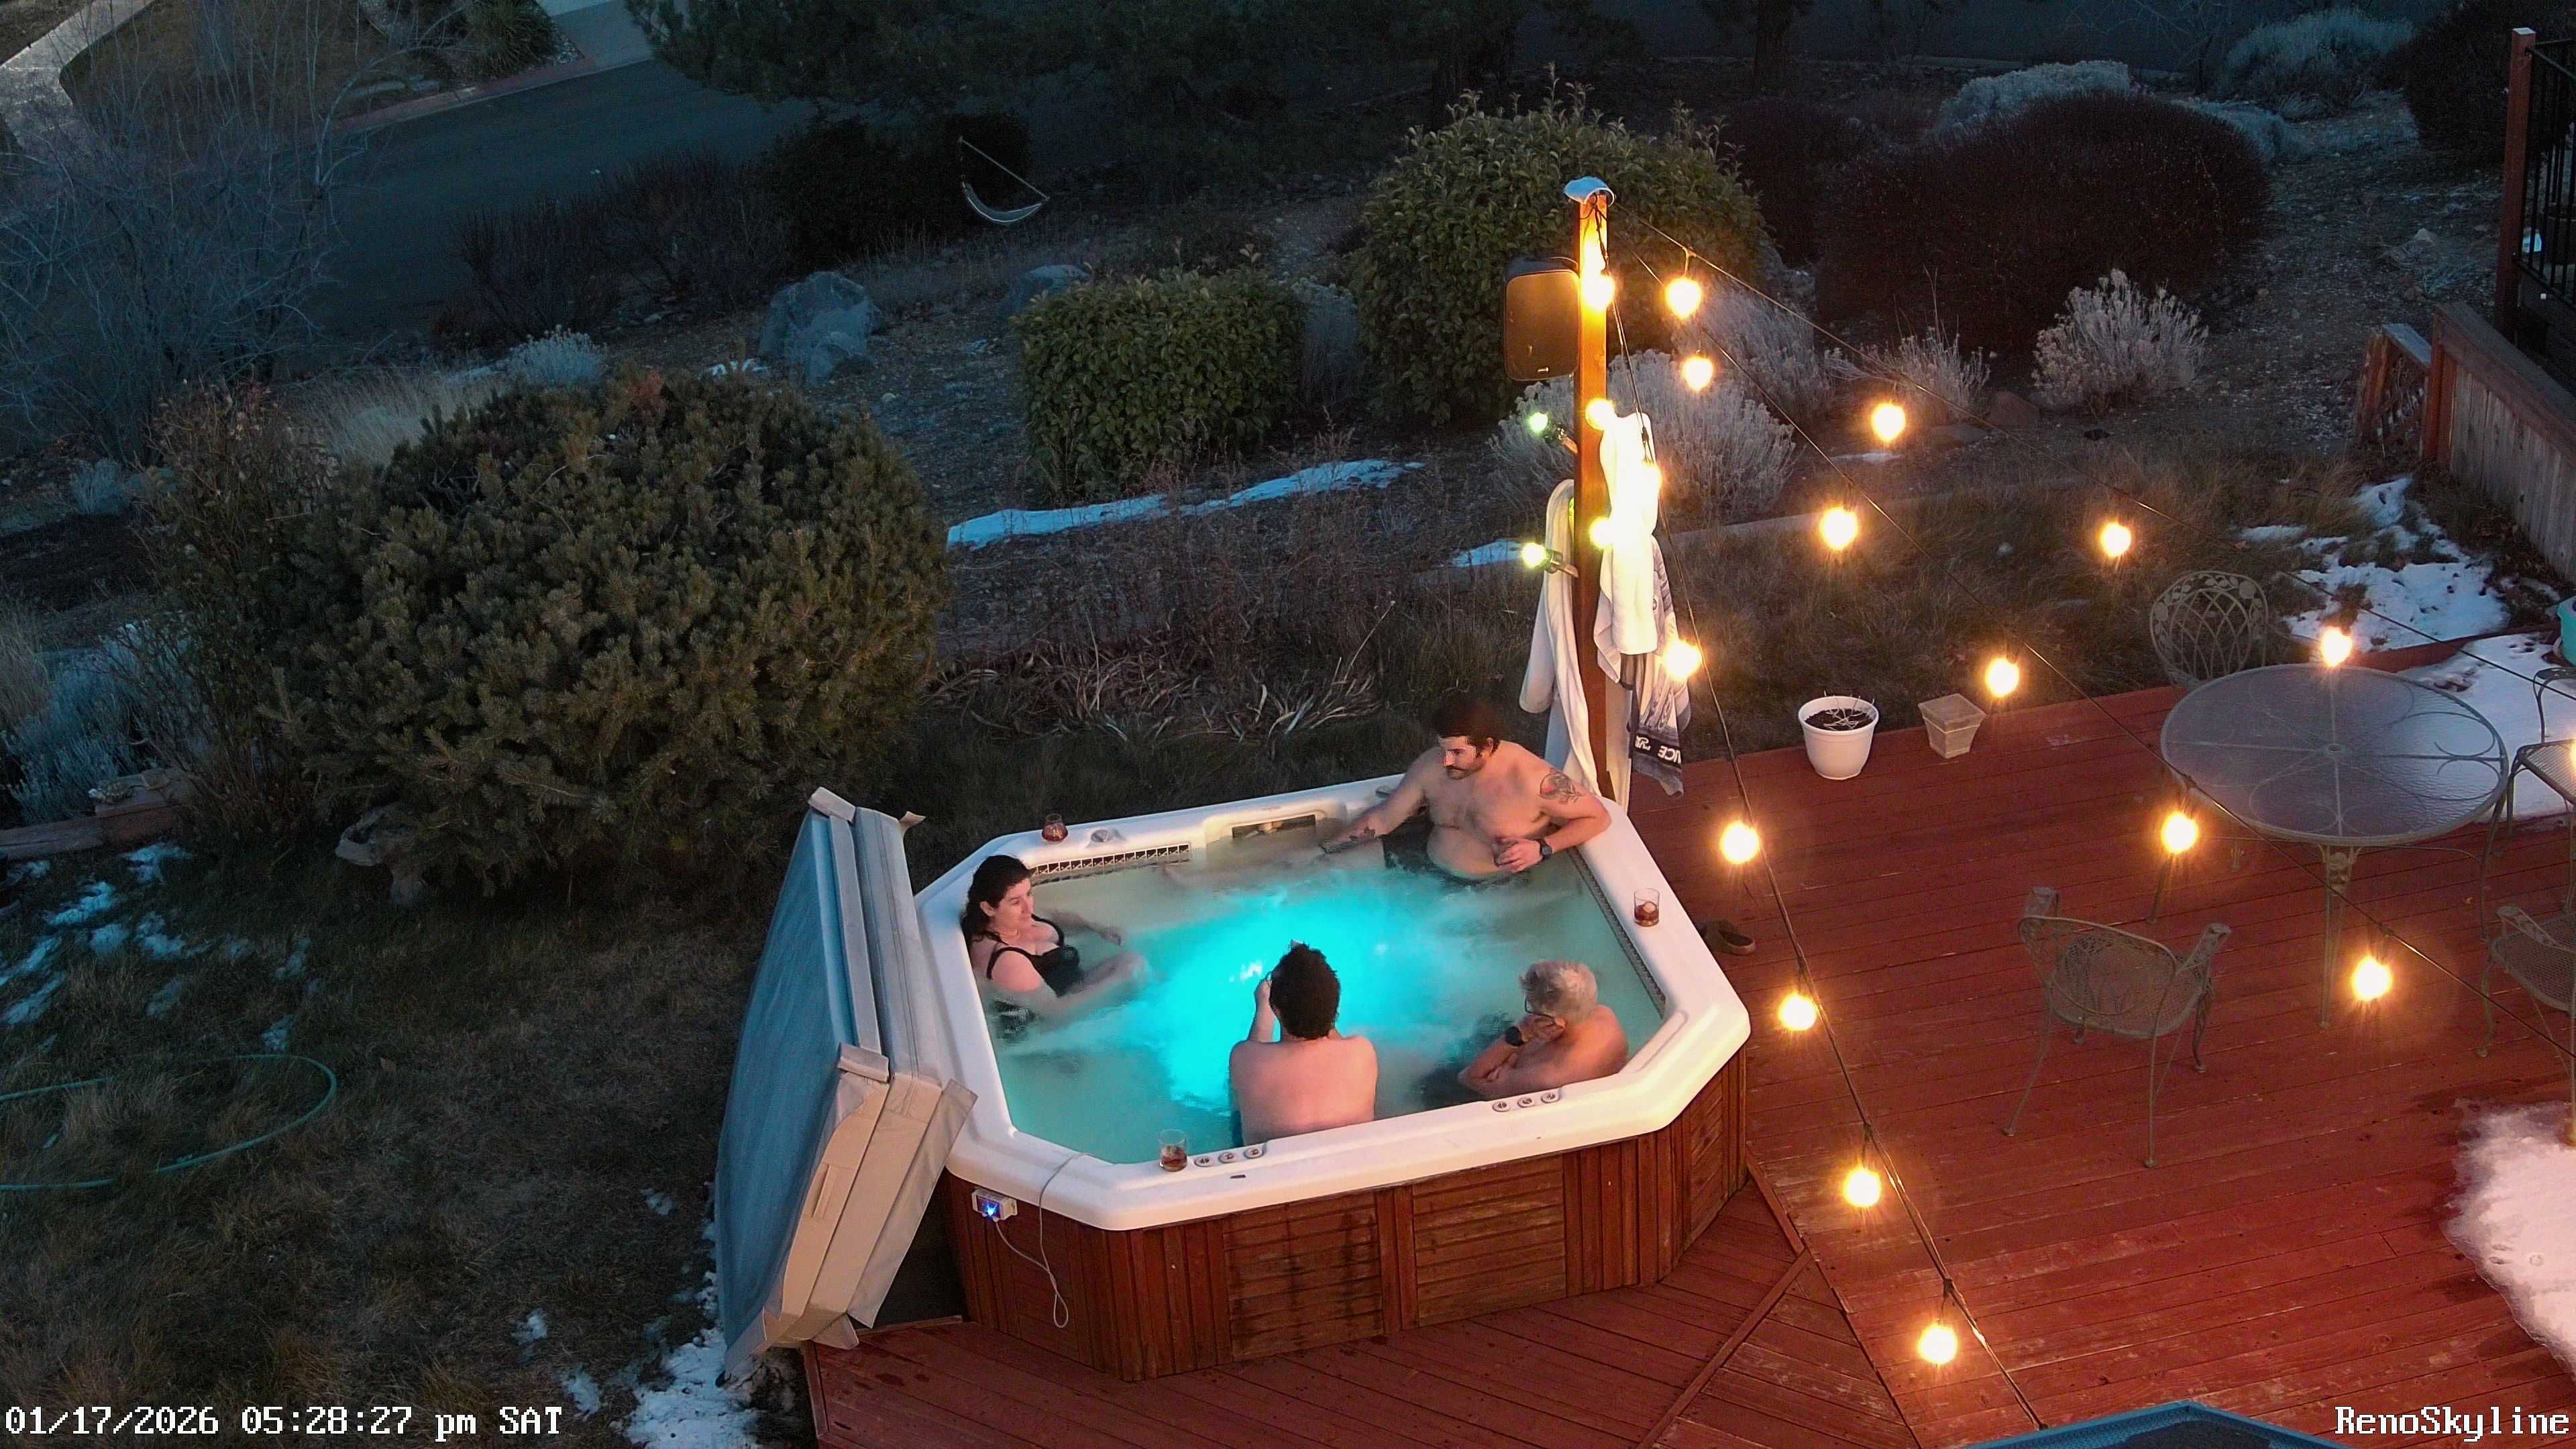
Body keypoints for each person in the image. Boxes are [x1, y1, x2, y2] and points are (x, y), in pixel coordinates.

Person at [1318, 696, 1609, 882]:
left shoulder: (1534, 780)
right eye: (1442, 749)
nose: (1446, 761)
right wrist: (1325, 851)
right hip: (1424, 863)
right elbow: (1383, 819)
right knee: (1318, 873)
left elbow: (1598, 817)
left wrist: (1543, 848)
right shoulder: (1432, 765)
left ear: (1487, 747)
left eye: (1457, 753)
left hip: (1493, 889)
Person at [960, 855, 1141, 1019]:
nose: (1029, 907)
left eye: (1029, 894)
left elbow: (1057, 917)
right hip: (1056, 1020)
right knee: (1133, 969)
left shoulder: (1015, 919)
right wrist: (1118, 980)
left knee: (1133, 963)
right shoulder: (1007, 962)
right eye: (1016, 902)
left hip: (1073, 986)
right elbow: (1055, 1013)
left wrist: (1096, 928)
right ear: (988, 908)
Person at [1230, 943, 1378, 1143]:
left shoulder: (1243, 1057)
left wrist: (1263, 1006)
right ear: (1335, 1008)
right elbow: (1329, 1028)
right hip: (1352, 1159)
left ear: (1275, 1008)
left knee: (1235, 1105)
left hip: (1278, 1162)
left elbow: (1254, 1050)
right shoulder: (1362, 1051)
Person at [1459, 961, 1627, 1099]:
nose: (1529, 1015)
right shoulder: (1604, 1015)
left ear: (1555, 1023)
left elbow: (1470, 1078)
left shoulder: (1549, 1076)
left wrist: (1521, 1032)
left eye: (1531, 1008)